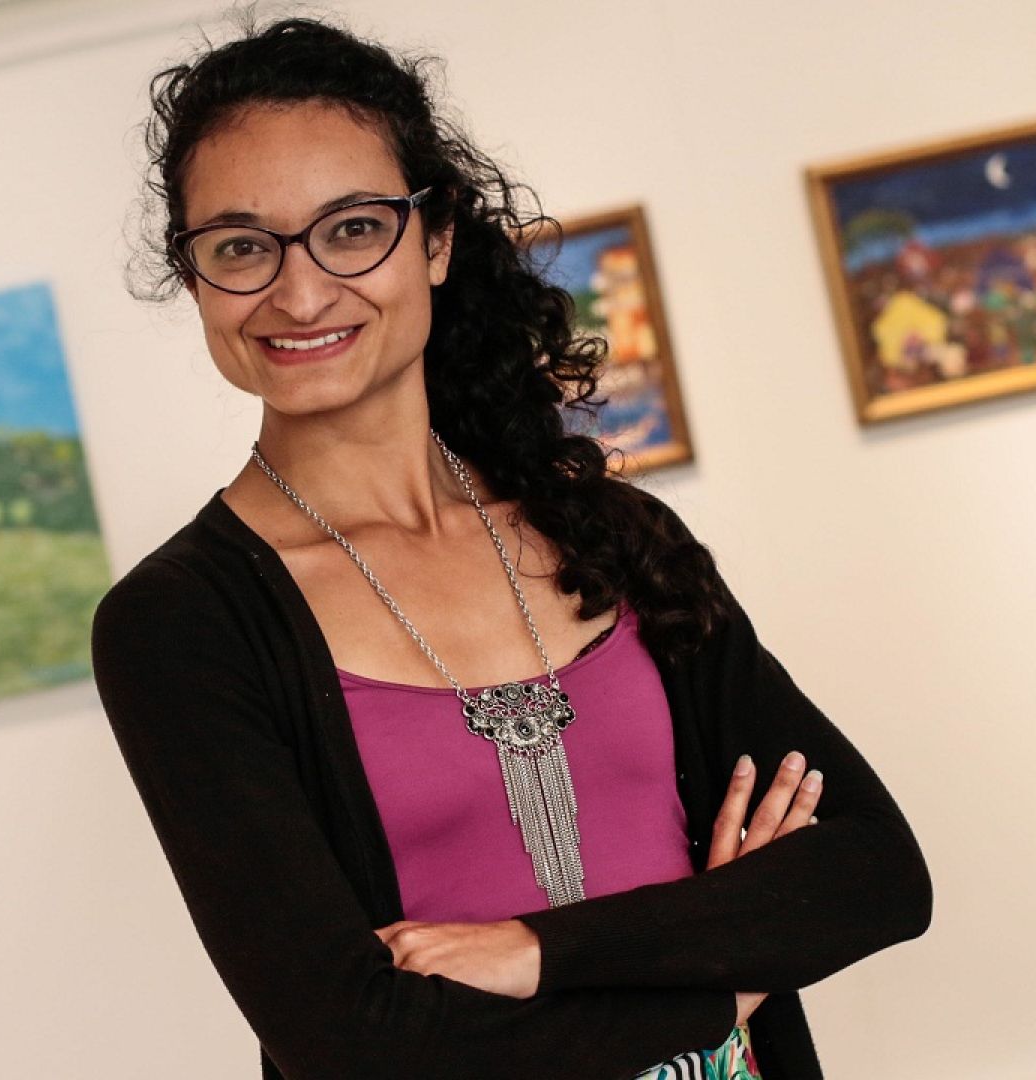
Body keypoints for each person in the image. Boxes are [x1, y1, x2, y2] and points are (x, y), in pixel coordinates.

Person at [91, 15, 932, 1079]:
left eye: (353, 229)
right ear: (195, 276)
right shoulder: (179, 626)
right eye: (241, 247)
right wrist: (727, 973)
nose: (299, 294)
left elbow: (875, 874)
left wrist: (537, 953)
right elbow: (351, 1044)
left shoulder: (610, 536)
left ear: (436, 240)